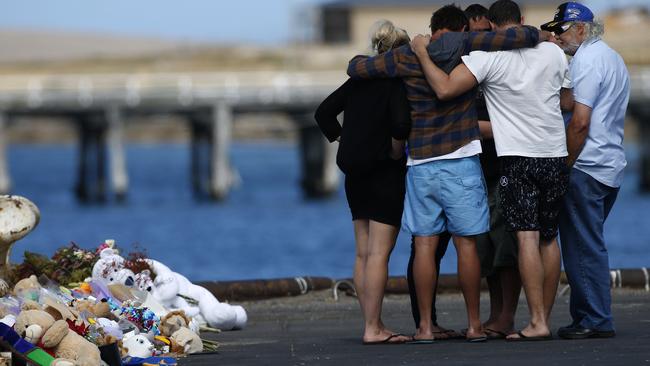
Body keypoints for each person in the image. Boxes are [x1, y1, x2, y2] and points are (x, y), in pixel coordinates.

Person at [347, 4, 544, 342]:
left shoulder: (408, 56)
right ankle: (473, 325)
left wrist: (415, 49)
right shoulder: (469, 47)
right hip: (460, 160)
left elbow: (357, 67)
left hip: (420, 163)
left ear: (433, 27)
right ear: (461, 28)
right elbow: (524, 35)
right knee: (466, 245)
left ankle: (424, 327)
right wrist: (537, 34)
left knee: (424, 245)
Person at [411, 0, 570, 341]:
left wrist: (422, 53)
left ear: (494, 31)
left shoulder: (489, 57)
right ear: (522, 21)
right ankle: (544, 319)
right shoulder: (554, 52)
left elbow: (444, 88)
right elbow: (568, 102)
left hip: (515, 156)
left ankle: (534, 320)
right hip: (555, 153)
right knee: (549, 237)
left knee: (524, 237)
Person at [314, 20, 412, 345]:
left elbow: (323, 112)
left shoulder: (357, 80)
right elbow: (400, 124)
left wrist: (343, 139)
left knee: (362, 254)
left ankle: (371, 323)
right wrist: (397, 152)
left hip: (355, 173)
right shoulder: (395, 81)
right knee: (380, 255)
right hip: (384, 172)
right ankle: (373, 328)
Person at [541, 2, 630, 340]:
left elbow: (579, 121)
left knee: (582, 246)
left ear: (581, 29)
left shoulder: (588, 61)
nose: (558, 36)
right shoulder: (608, 57)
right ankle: (586, 315)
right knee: (587, 242)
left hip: (586, 166)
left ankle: (594, 317)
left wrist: (563, 165)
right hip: (609, 166)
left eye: (561, 30)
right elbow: (574, 102)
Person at [464, 3, 522, 339]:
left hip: (504, 164)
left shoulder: (503, 61)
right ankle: (495, 314)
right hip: (474, 166)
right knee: (484, 247)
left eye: (484, 34)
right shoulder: (467, 66)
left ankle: (507, 316)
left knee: (506, 244)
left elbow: (512, 118)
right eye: (472, 35)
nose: (478, 40)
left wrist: (475, 126)